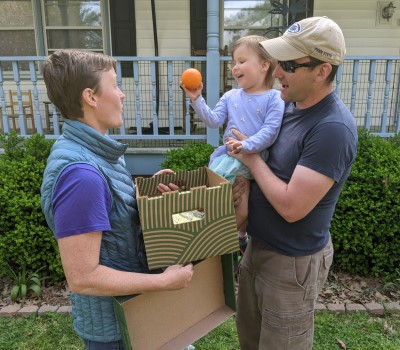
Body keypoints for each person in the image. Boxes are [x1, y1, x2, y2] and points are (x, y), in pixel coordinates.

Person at [40, 49, 195, 350]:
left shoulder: (95, 150)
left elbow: (109, 211)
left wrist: (146, 191)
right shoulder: (81, 176)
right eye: (115, 85)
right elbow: (83, 277)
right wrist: (165, 282)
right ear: (91, 97)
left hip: (134, 315)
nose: (122, 95)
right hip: (117, 330)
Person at [229, 17, 358, 349]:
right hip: (257, 248)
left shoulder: (332, 128)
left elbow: (290, 207)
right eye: (277, 62)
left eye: (288, 64)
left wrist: (251, 159)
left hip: (291, 264)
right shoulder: (286, 107)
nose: (276, 72)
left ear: (322, 71)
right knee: (250, 341)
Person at [182, 35, 284, 254]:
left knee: (232, 205)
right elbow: (213, 120)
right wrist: (196, 99)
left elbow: (270, 132)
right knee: (222, 203)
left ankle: (215, 235)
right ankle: (195, 230)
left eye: (242, 61)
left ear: (264, 65)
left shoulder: (274, 99)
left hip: (247, 163)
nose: (234, 67)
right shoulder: (230, 96)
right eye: (234, 62)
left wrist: (246, 146)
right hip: (228, 159)